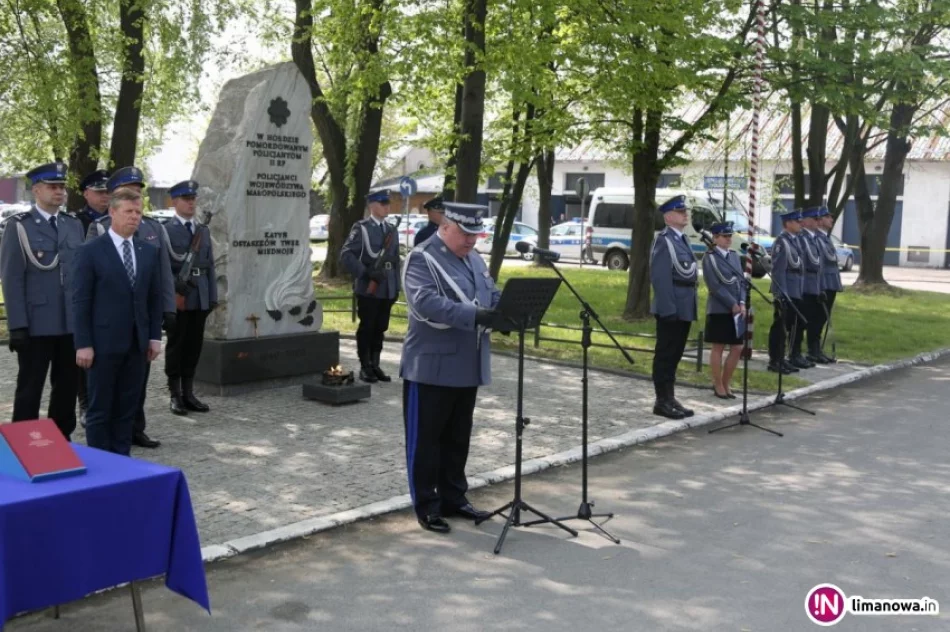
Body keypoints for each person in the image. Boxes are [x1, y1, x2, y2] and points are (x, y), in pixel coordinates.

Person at [401, 202, 508, 533]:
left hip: (466, 365)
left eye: (476, 234)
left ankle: (453, 497)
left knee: (457, 438)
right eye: (465, 233)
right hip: (431, 367)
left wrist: (510, 307)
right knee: (427, 440)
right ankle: (427, 505)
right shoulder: (423, 258)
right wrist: (476, 316)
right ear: (445, 227)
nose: (472, 240)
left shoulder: (473, 258)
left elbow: (488, 294)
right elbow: (427, 303)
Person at [87, 166, 176, 447]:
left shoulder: (152, 227)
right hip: (108, 331)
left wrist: (167, 309)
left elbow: (160, 277)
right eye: (130, 191)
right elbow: (87, 288)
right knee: (104, 397)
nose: (136, 195)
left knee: (134, 390)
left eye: (139, 190)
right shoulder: (98, 229)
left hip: (138, 329)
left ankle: (135, 430)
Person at [73, 189, 163, 456]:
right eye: (128, 211)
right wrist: (83, 344)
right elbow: (80, 301)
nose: (134, 217)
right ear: (112, 212)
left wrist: (154, 336)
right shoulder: (90, 251)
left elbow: (154, 299)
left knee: (127, 408)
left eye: (138, 212)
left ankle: (123, 463)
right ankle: (101, 467)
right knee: (100, 409)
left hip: (137, 345)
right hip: (102, 345)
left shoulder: (148, 251)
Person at [0, 161, 85, 439]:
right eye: (53, 187)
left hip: (70, 323)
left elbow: (80, 277)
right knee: (30, 387)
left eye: (62, 187)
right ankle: (23, 443)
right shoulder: (19, 227)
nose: (59, 192)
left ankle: (62, 440)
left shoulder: (73, 225)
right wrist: (17, 325)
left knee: (67, 386)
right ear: (36, 190)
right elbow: (12, 280)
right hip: (36, 323)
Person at [163, 180, 216, 415]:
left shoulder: (202, 230)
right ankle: (174, 395)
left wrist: (212, 296)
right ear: (174, 202)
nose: (191, 203)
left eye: (193, 199)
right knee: (176, 346)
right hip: (178, 297)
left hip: (200, 296)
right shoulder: (165, 230)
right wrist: (172, 296)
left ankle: (189, 393)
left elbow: (210, 266)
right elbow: (163, 268)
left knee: (194, 347)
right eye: (186, 199)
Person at [340, 190, 400, 383]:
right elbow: (346, 255)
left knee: (380, 328)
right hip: (369, 287)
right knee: (367, 327)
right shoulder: (362, 228)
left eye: (387, 203)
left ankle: (376, 364)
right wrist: (366, 272)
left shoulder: (392, 229)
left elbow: (395, 260)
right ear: (372, 205)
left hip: (387, 286)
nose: (387, 207)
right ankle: (365, 366)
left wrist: (396, 286)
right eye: (383, 203)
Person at [650, 195, 698, 420]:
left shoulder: (683, 239)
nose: (685, 214)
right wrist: (668, 309)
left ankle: (670, 397)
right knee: (666, 354)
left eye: (685, 211)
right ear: (669, 217)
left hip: (684, 306)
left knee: (676, 353)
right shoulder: (664, 240)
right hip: (671, 307)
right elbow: (660, 278)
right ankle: (661, 400)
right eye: (680, 212)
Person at [701, 222, 745, 399]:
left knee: (737, 347)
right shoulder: (709, 257)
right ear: (715, 237)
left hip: (737, 308)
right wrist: (731, 304)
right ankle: (717, 384)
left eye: (729, 236)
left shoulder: (734, 256)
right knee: (718, 346)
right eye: (725, 236)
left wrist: (741, 302)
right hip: (719, 308)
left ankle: (727, 382)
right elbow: (714, 285)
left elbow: (741, 281)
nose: (729, 239)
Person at [767, 209, 805, 375]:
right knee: (780, 327)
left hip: (794, 289)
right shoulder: (782, 242)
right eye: (797, 221)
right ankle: (775, 360)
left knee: (789, 326)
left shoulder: (794, 241)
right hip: (786, 290)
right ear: (788, 223)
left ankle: (783, 358)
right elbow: (778, 270)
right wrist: (781, 293)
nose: (800, 224)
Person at [792, 207, 824, 367]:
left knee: (810, 320)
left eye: (818, 219)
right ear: (805, 221)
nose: (818, 222)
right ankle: (795, 353)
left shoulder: (814, 238)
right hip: (804, 286)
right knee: (799, 322)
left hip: (814, 285)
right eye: (814, 219)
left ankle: (807, 352)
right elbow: (810, 262)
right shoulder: (803, 238)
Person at [816, 206, 842, 361]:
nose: (831, 220)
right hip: (824, 283)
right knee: (818, 318)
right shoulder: (818, 239)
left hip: (831, 283)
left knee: (823, 318)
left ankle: (818, 350)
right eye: (828, 217)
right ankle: (814, 351)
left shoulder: (825, 238)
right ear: (819, 220)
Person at [75, 169, 110, 234]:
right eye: (100, 192)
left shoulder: (118, 218)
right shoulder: (76, 221)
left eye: (108, 192)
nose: (105, 195)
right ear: (86, 194)